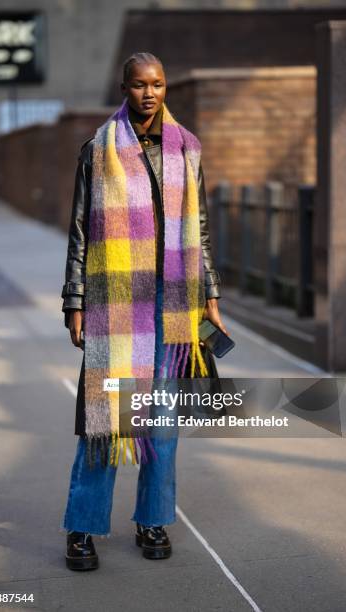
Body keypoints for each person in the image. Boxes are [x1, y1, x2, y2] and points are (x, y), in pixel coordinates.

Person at [60, 51, 227, 571]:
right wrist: (74, 300)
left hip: (173, 302)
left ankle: (152, 518)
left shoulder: (188, 149)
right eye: (138, 85)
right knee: (106, 420)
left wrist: (212, 296)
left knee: (163, 420)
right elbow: (81, 231)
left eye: (156, 84)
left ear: (166, 86)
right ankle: (83, 527)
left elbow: (198, 230)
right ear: (125, 87)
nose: (149, 93)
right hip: (117, 300)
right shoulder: (98, 149)